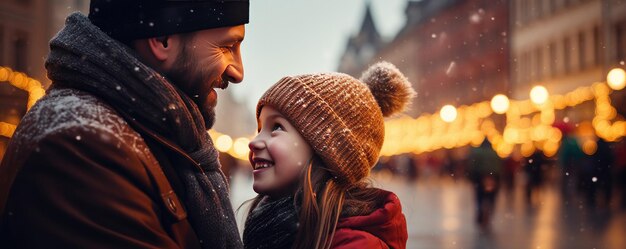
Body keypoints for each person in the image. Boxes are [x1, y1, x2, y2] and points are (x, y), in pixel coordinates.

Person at [0, 0, 248, 248]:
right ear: (162, 39)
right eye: (227, 47)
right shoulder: (84, 147)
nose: (238, 72)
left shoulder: (150, 132)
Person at [243, 62, 413, 249]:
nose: (254, 142)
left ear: (326, 148)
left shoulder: (355, 245)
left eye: (276, 127)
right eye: (259, 129)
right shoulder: (272, 224)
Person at [467, 139, 502, 229]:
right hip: (493, 177)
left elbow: (473, 165)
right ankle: (489, 214)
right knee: (491, 198)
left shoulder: (477, 153)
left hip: (480, 177)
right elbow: (499, 166)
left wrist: (472, 177)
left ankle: (480, 214)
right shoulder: (494, 153)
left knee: (479, 197)